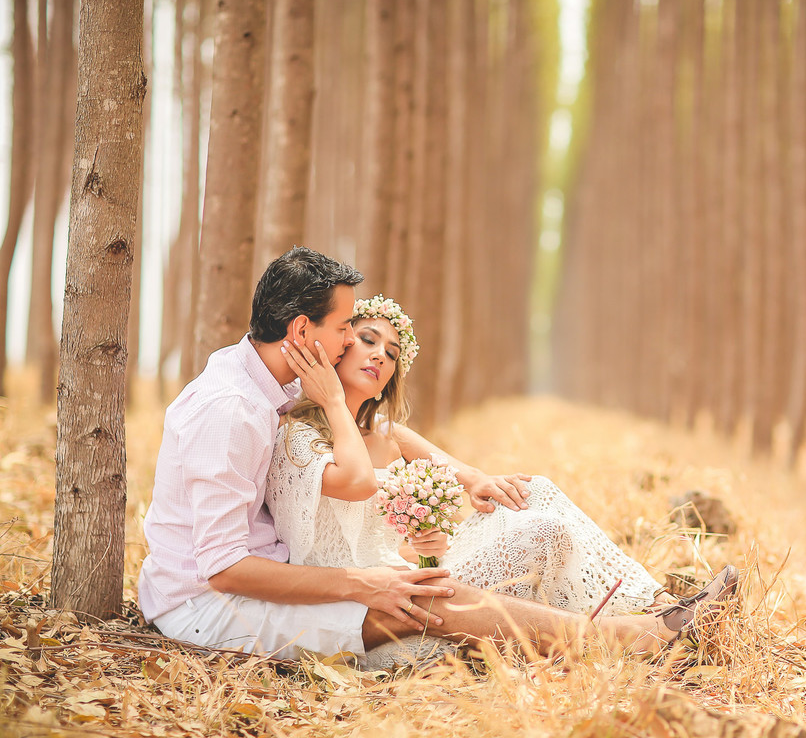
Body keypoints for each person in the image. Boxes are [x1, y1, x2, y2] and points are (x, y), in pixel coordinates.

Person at [138, 247, 736, 666]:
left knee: (467, 551)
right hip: (207, 605)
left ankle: (652, 613)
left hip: (276, 570)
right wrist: (362, 582)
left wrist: (462, 479)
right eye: (348, 328)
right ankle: (632, 637)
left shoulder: (275, 381)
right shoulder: (234, 410)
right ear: (301, 331)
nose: (355, 342)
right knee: (421, 601)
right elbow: (222, 568)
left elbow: (385, 435)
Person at [265, 293, 696, 669]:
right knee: (543, 532)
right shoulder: (299, 437)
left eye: (392, 353)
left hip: (409, 576)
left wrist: (453, 511)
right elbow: (355, 489)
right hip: (371, 609)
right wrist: (334, 400)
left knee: (535, 490)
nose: (380, 355)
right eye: (367, 340)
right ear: (337, 348)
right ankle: (637, 631)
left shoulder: (384, 430)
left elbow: (464, 475)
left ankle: (657, 606)